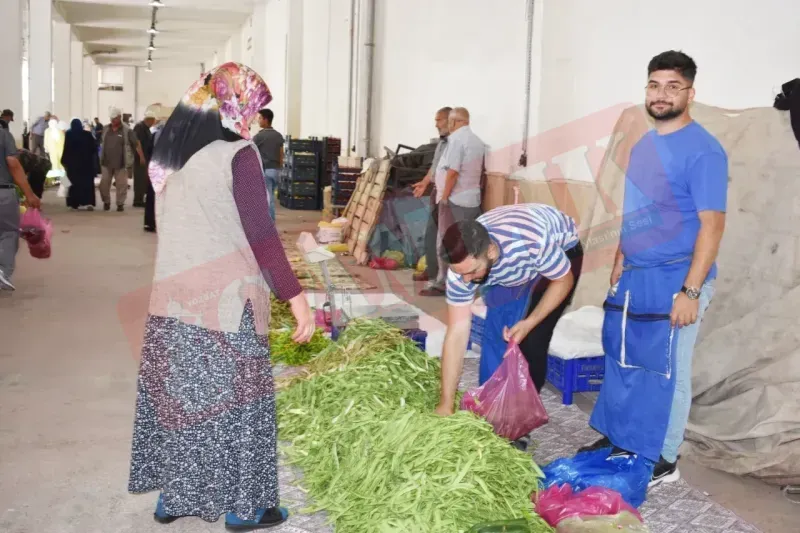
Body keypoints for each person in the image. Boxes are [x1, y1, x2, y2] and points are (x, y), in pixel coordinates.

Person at [128, 62, 316, 530]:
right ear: (236, 105)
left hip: (172, 298)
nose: (253, 116)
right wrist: (295, 297)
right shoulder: (238, 154)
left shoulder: (169, 159)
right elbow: (261, 234)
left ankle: (174, 498)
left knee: (183, 401)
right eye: (253, 105)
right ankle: (246, 508)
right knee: (238, 404)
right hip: (226, 304)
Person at [583, 51, 728, 488]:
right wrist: (620, 257)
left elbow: (712, 225)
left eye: (672, 87)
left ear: (690, 94)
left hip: (676, 277)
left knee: (668, 371)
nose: (661, 95)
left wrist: (691, 291)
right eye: (654, 85)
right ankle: (620, 437)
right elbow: (639, 210)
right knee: (624, 358)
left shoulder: (704, 151)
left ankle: (663, 457)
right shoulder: (644, 145)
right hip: (636, 272)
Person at [434, 204, 583, 431]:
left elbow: (563, 280)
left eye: (471, 272)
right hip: (510, 267)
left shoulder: (531, 242)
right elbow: (456, 333)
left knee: (530, 340)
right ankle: (492, 407)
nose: (466, 281)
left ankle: (518, 423)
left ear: (491, 251)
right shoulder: (462, 271)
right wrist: (446, 403)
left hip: (559, 257)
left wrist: (529, 322)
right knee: (498, 334)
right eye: (460, 273)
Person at [420, 107, 485, 297]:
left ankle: (444, 283)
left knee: (447, 241)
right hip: (471, 199)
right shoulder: (477, 141)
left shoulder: (456, 140)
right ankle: (466, 280)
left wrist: (445, 196)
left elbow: (453, 172)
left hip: (454, 199)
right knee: (466, 242)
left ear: (455, 122)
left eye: (449, 121)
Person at [411, 106, 452, 284]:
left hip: (449, 195)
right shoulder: (442, 143)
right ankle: (432, 268)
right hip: (438, 192)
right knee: (431, 233)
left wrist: (446, 195)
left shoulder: (456, 144)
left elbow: (454, 172)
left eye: (439, 120)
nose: (436, 124)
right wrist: (425, 182)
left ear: (450, 120)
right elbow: (435, 167)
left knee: (443, 237)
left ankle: (442, 278)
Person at [0, 118, 41, 291]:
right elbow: (13, 163)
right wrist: (29, 194)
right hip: (2, 192)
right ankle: (3, 271)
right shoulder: (3, 135)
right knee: (8, 232)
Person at [99, 108, 145, 212]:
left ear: (119, 117)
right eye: (111, 119)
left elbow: (136, 143)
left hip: (121, 163)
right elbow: (102, 142)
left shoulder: (127, 130)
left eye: (114, 118)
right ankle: (106, 202)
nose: (112, 121)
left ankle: (120, 204)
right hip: (106, 162)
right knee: (104, 185)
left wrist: (141, 156)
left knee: (121, 185)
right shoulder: (106, 129)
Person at [252, 108, 284, 220]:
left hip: (265, 170)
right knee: (271, 196)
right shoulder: (278, 135)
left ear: (266, 120)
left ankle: (270, 222)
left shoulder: (259, 136)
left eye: (260, 118)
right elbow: (281, 154)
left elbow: (250, 150)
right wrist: (280, 168)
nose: (258, 120)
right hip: (276, 171)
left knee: (268, 199)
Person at [62, 118, 98, 210]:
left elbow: (66, 148)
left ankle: (74, 203)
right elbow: (94, 149)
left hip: (73, 165)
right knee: (87, 184)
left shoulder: (69, 134)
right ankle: (88, 202)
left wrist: (64, 161)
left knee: (73, 184)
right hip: (86, 165)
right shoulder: (87, 135)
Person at [132, 111, 157, 208]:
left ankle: (140, 199)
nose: (153, 123)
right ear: (149, 120)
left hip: (145, 158)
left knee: (143, 180)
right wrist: (141, 157)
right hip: (140, 159)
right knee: (140, 179)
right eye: (153, 121)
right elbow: (137, 143)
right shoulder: (139, 128)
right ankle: (137, 201)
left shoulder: (146, 128)